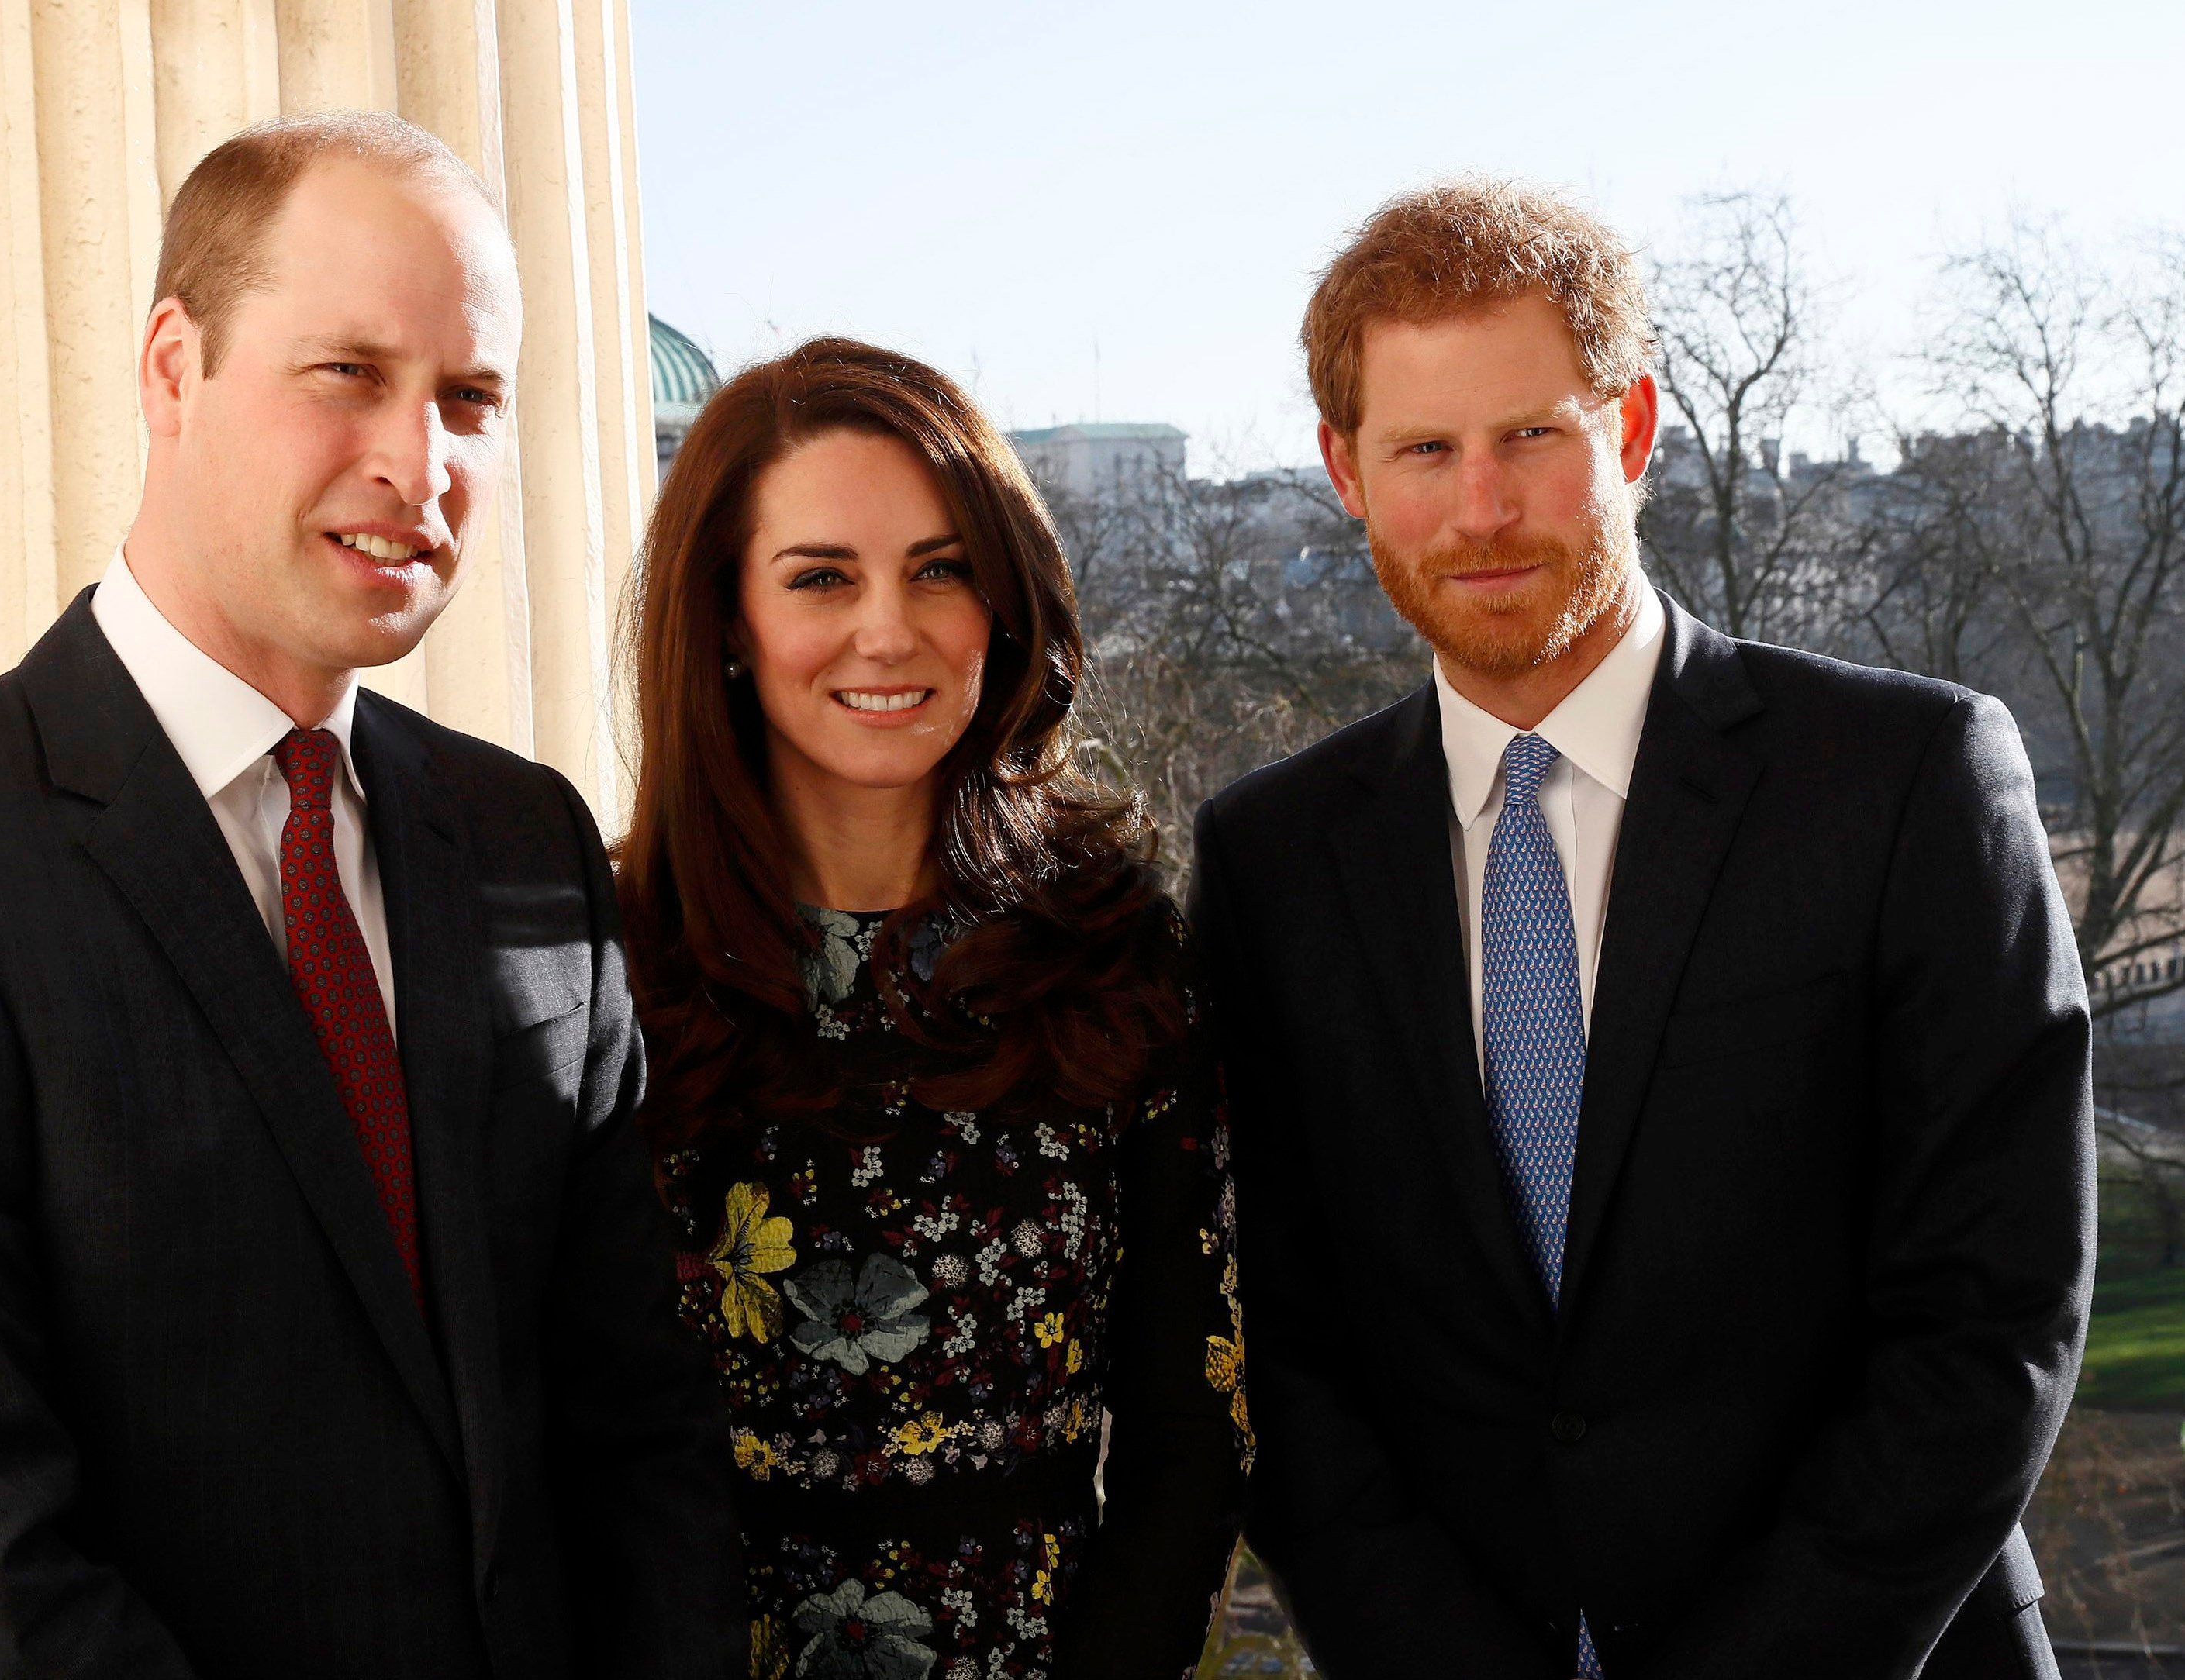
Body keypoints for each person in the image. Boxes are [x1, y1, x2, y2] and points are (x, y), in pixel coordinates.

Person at [0, 112, 742, 1678]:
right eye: (348, 374)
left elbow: (638, 1439)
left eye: (469, 397)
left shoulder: (527, 844)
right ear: (172, 369)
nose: (421, 462)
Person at [1195, 179, 2093, 1678]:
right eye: (1426, 449)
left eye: (1530, 435)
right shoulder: (1273, 859)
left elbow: (1991, 1317)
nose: (1480, 508)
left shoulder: (1907, 778)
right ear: (1347, 472)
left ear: (1629, 428)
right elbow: (1283, 1345)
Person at [615, 336, 1250, 1678]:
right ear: (728, 617)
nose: (887, 632)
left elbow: (1194, 1414)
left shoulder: (1116, 943)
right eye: (821, 579)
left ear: (1003, 603)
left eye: (940, 568)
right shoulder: (612, 960)